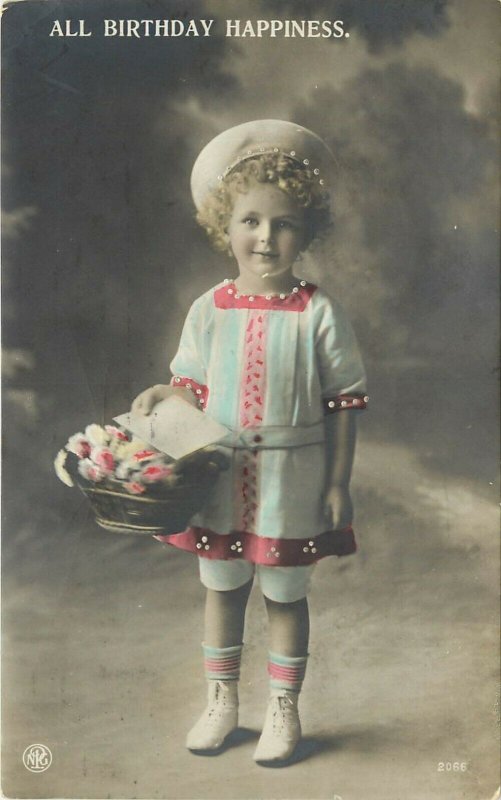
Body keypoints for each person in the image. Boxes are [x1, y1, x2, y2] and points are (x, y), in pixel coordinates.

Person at [131, 120, 368, 765]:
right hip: (222, 474)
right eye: (251, 221)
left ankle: (283, 709)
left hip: (293, 477)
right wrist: (163, 395)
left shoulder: (319, 312)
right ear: (224, 227)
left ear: (306, 231)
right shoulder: (209, 308)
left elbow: (344, 403)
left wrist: (338, 482)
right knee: (224, 585)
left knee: (286, 591)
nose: (266, 237)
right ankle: (222, 701)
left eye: (284, 223)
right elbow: (194, 390)